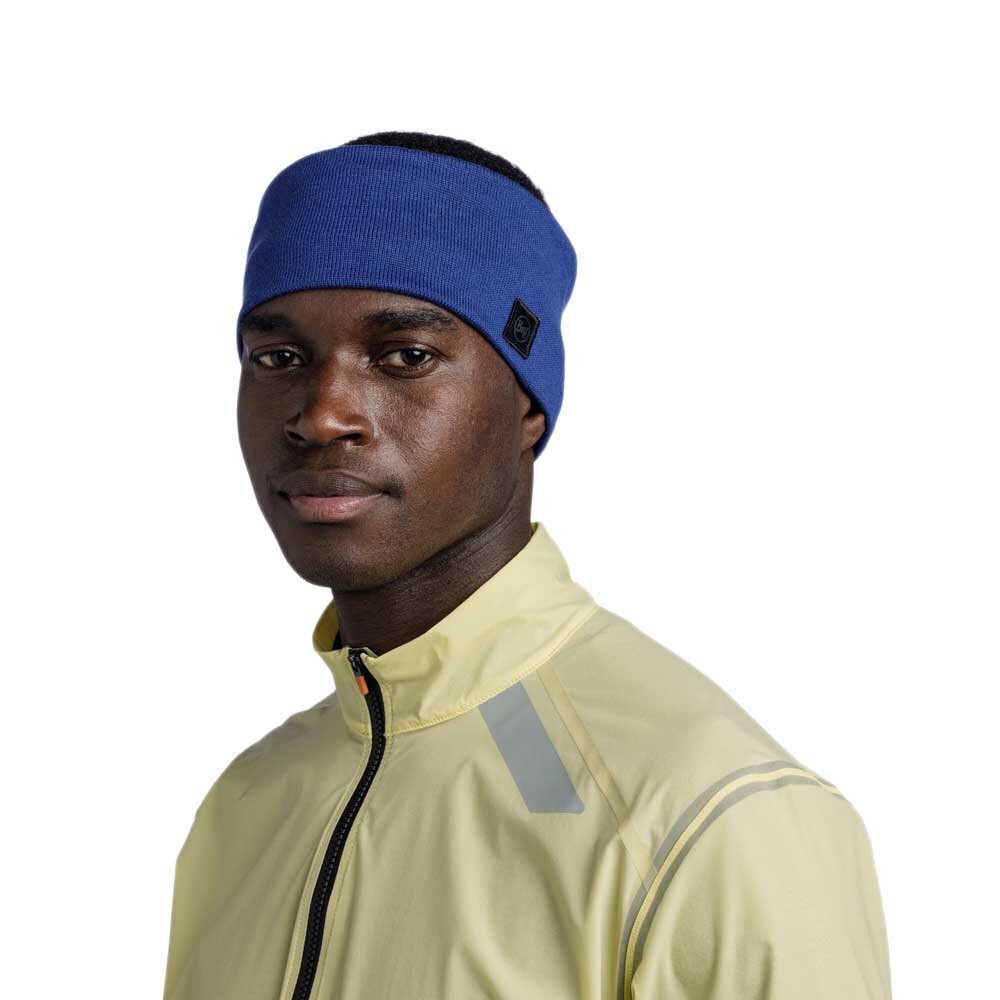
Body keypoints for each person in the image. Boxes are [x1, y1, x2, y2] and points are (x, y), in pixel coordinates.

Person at [161, 131, 892, 1000]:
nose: (322, 416)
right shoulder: (247, 808)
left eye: (405, 356)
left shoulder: (706, 817)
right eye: (278, 359)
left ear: (527, 406)